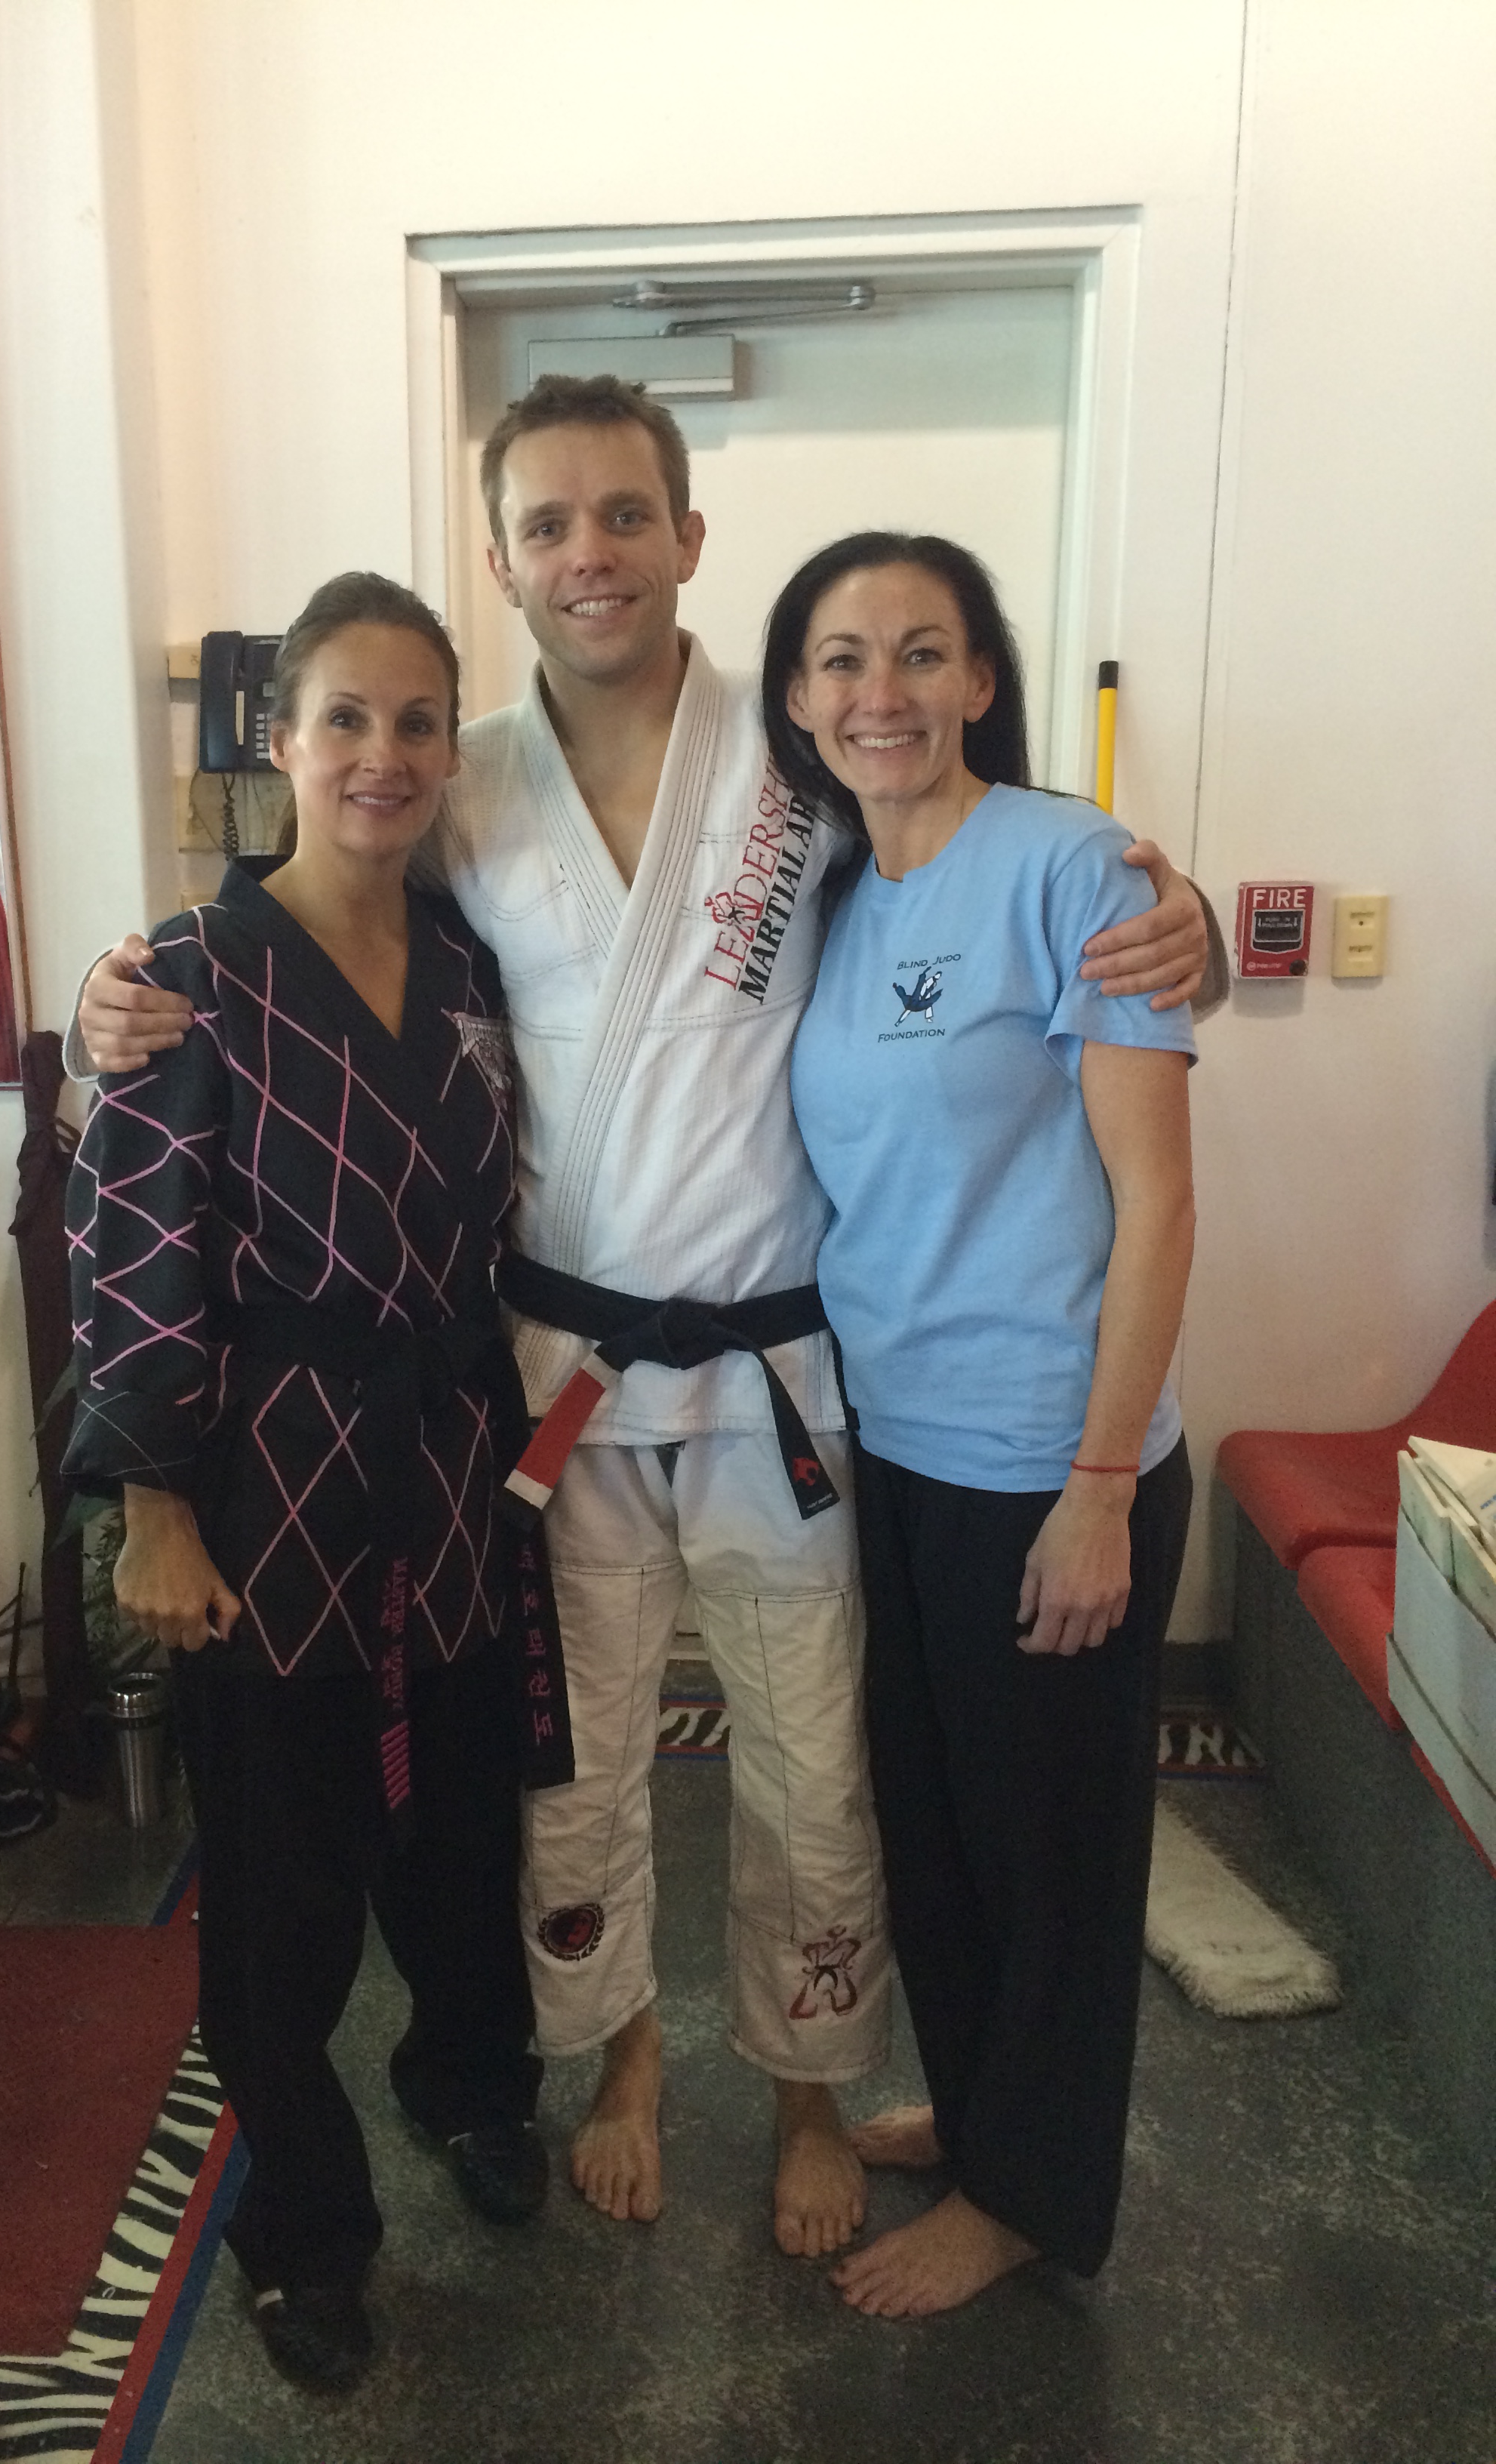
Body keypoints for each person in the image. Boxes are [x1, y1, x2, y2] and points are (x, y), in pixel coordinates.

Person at [72, 376, 1211, 2261]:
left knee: (810, 1757)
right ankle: (619, 2061)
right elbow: (309, 920)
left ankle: (810, 2088)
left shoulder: (802, 752)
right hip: (562, 1375)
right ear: (503, 557)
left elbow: (992, 876)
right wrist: (122, 989)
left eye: (623, 515)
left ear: (687, 536)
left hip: (781, 1364)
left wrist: (1181, 923)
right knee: (575, 1753)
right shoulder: (461, 779)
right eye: (547, 524)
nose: (587, 553)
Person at [63, 573, 569, 2395]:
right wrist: (152, 1508)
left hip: (447, 1457)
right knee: (284, 1891)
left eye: (418, 721)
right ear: (276, 740)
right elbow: (133, 1252)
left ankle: (472, 2083)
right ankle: (307, 2233)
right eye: (344, 717)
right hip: (263, 1479)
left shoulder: (469, 968)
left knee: (463, 1829)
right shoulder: (182, 979)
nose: (383, 754)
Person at [768, 531, 1197, 2318]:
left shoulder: (1073, 866)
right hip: (894, 1442)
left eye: (920, 651)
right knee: (936, 1824)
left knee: (1052, 1850)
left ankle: (1034, 2197)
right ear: (798, 699)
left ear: (980, 680)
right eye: (842, 658)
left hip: (1045, 1453)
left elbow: (1157, 1201)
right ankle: (978, 2113)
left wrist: (1097, 1487)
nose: (881, 691)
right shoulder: (838, 892)